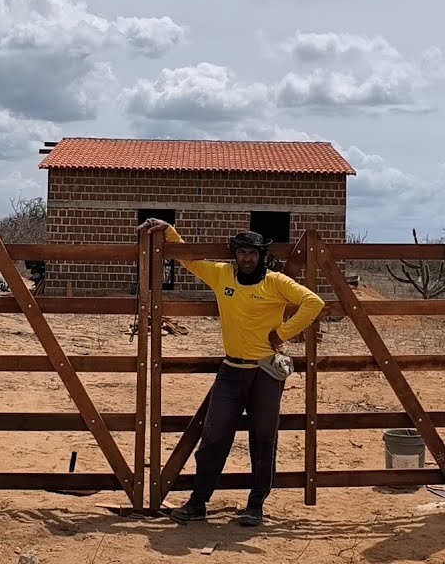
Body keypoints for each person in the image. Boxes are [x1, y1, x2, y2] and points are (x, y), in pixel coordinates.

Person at [138, 217, 324, 527]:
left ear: (261, 255)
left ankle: (255, 505)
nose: (247, 258)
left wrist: (282, 334)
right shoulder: (222, 275)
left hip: (265, 373)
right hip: (230, 371)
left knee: (263, 439)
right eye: (241, 253)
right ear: (234, 255)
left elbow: (312, 302)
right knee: (213, 437)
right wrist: (169, 230)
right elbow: (190, 261)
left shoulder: (276, 282)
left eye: (252, 253)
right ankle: (198, 502)